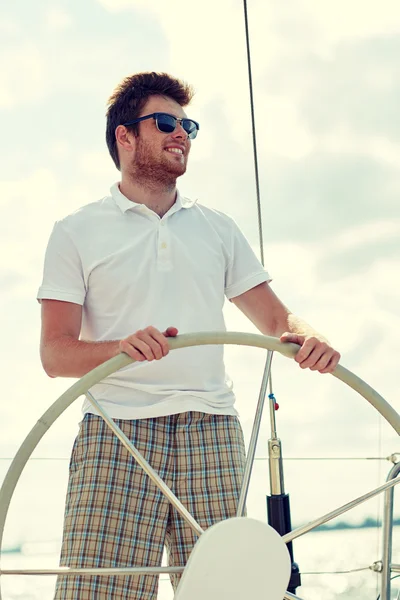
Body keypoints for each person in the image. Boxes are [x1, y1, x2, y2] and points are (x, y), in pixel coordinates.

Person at [38, 71, 340, 599]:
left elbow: (276, 319)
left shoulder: (217, 228)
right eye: (165, 123)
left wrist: (309, 336)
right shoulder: (75, 231)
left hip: (212, 428)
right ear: (125, 136)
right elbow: (55, 354)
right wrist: (120, 347)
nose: (182, 134)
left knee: (229, 593)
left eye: (187, 126)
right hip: (117, 433)